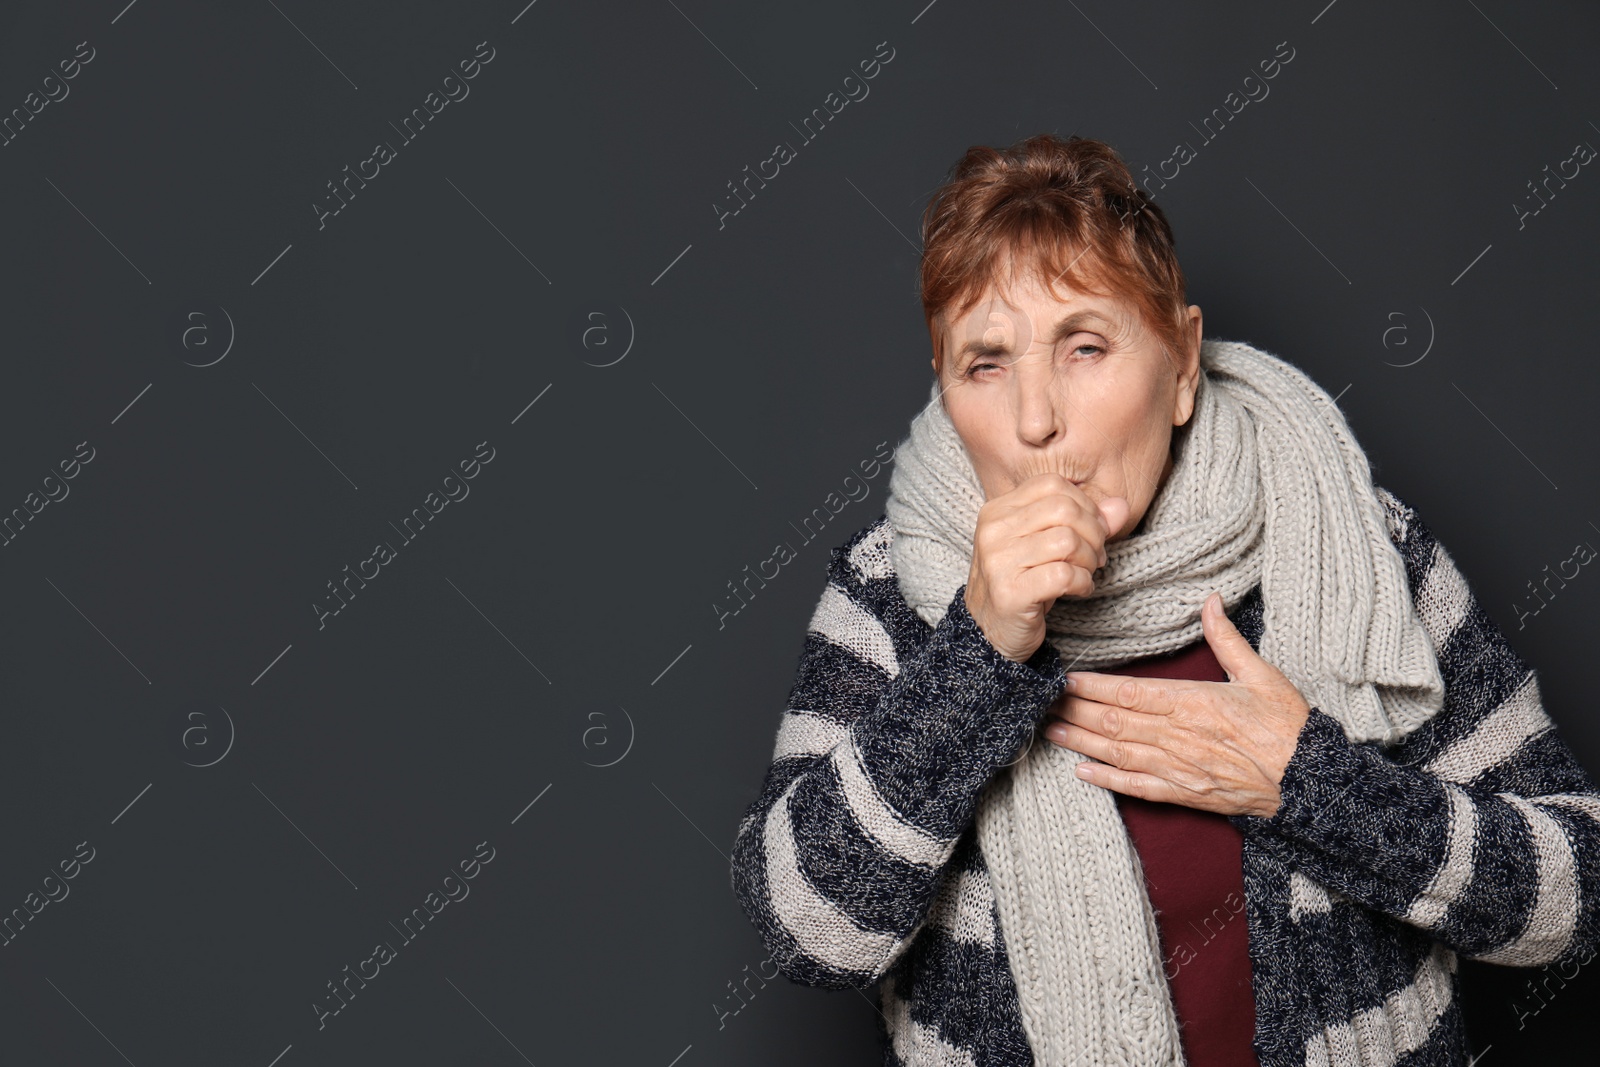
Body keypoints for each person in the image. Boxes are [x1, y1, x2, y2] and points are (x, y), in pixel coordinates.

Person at [728, 133, 1600, 1067]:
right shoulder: (892, 588)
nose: (1035, 420)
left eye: (1085, 346)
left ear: (1183, 362)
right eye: (985, 363)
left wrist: (1312, 785)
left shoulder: (1349, 534)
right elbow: (803, 931)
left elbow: (1575, 891)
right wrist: (977, 652)